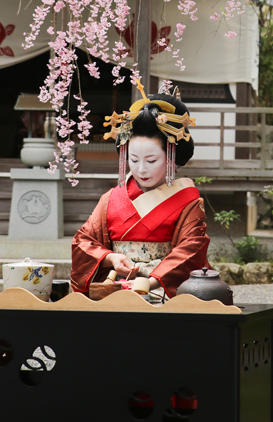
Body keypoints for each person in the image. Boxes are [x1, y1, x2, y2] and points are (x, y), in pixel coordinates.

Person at [70, 89, 209, 299]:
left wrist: (151, 281)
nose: (141, 169)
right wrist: (110, 258)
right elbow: (83, 242)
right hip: (115, 289)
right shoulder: (111, 198)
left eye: (151, 160)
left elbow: (191, 251)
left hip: (163, 291)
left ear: (171, 157)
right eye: (133, 160)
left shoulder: (187, 201)